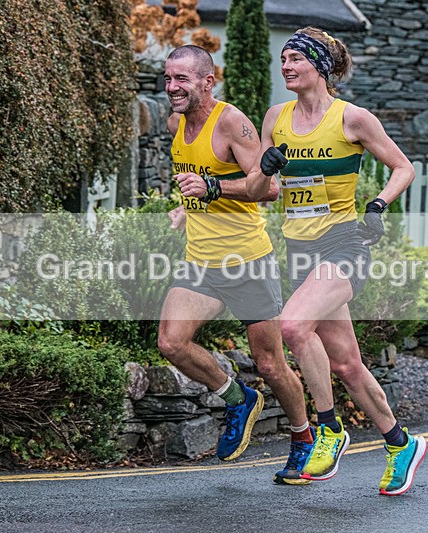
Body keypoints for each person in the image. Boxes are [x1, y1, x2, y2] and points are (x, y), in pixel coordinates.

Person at [245, 28, 426, 496]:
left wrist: (379, 205)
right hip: (298, 249)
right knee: (347, 364)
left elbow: (403, 167)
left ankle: (328, 428)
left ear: (319, 68)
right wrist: (263, 172)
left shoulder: (353, 119)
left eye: (295, 59)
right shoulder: (275, 118)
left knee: (293, 327)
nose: (285, 66)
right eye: (282, 59)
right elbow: (262, 193)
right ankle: (400, 443)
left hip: (343, 243)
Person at [158, 45, 314, 483]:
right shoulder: (176, 123)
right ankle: (236, 397)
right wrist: (186, 208)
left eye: (182, 79)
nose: (172, 87)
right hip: (200, 261)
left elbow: (269, 189)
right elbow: (196, 185)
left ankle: (303, 437)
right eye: (169, 78)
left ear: (209, 81)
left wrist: (210, 188)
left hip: (247, 260)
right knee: (171, 343)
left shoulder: (231, 122)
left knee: (270, 364)